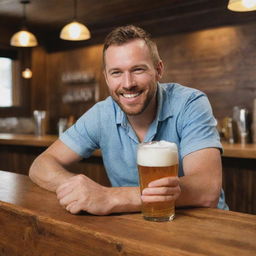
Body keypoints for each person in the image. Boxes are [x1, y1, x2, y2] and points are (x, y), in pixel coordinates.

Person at [29, 25, 228, 215]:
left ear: (158, 70)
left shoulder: (189, 103)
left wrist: (112, 198)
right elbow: (41, 165)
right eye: (116, 72)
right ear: (106, 77)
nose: (128, 83)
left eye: (138, 69)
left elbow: (206, 190)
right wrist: (76, 187)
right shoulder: (101, 114)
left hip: (203, 225)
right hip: (138, 224)